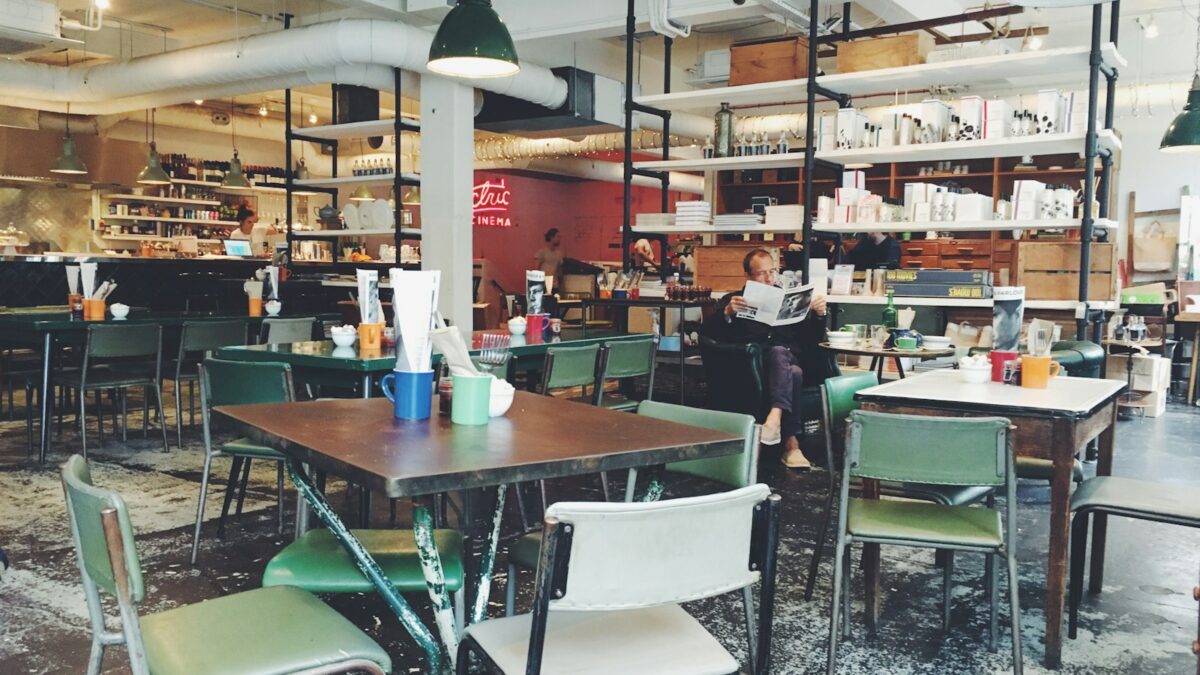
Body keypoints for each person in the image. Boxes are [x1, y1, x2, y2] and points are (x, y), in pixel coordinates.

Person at [701, 248, 829, 470]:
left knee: (781, 353)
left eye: (773, 271)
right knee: (794, 373)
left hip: (787, 358)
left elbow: (810, 339)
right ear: (749, 276)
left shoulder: (787, 299)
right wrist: (728, 314)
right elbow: (708, 333)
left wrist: (819, 315)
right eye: (762, 273)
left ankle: (773, 421)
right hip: (752, 366)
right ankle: (791, 444)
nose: (769, 278)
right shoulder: (733, 300)